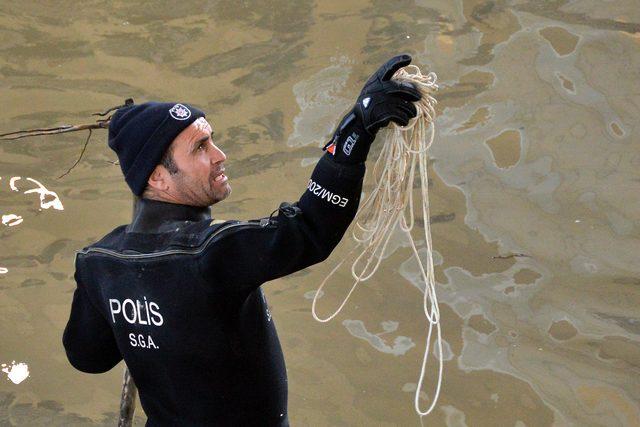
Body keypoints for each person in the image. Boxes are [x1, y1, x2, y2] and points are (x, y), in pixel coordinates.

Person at [62, 54, 421, 426]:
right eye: (200, 147)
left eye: (212, 141)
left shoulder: (100, 262)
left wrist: (143, 321)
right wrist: (355, 131)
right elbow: (310, 228)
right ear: (157, 178)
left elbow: (88, 357)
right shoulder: (208, 253)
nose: (220, 155)